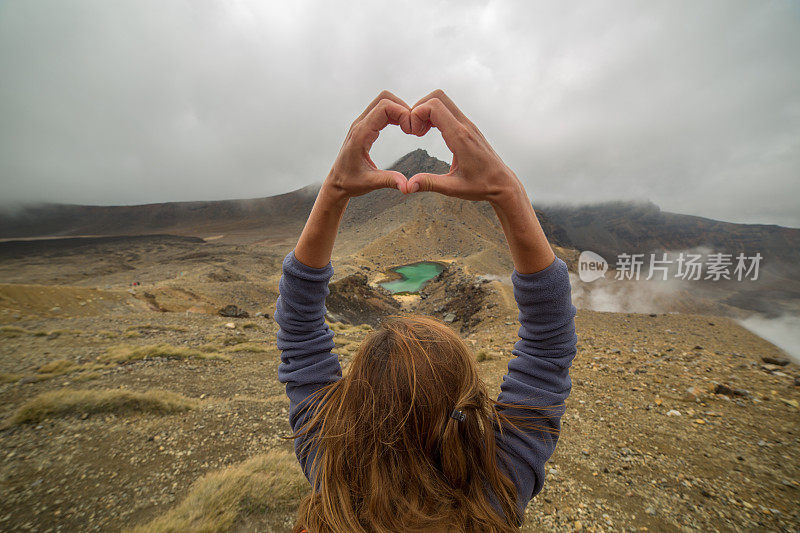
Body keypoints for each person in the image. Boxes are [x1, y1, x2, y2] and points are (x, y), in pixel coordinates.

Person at [275, 90, 577, 532]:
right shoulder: (497, 486)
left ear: (353, 408)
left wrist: (336, 188)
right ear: (470, 409)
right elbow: (549, 342)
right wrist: (506, 190)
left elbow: (298, 329)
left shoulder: (332, 469)